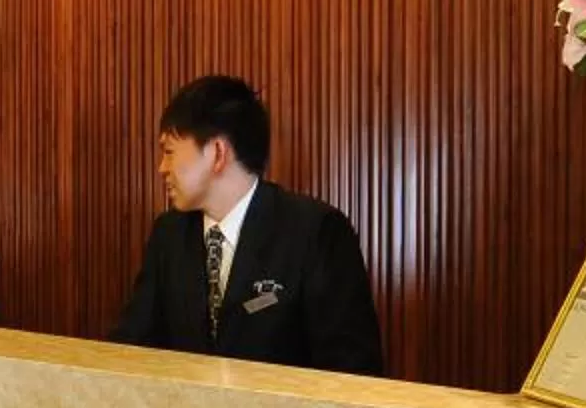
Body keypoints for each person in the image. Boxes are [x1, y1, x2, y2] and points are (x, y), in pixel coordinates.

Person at [110, 75, 382, 375]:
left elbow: (353, 371)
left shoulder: (316, 232)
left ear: (217, 153)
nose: (162, 168)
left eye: (169, 151)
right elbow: (131, 347)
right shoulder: (168, 234)